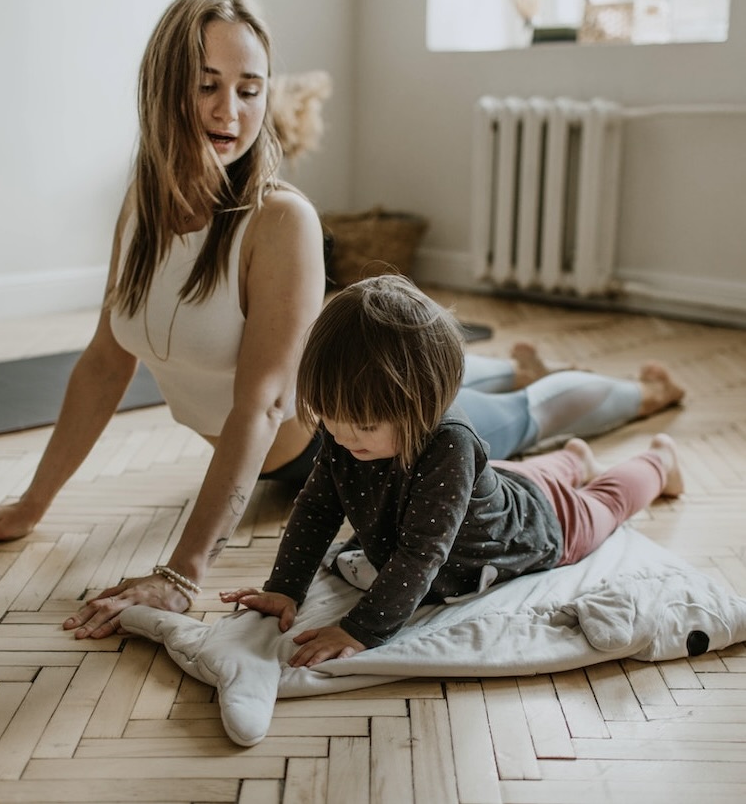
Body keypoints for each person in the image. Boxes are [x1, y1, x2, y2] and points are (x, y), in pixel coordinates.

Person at [0, 0, 683, 641]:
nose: (231, 110)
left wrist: (181, 572)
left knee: (519, 414)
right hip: (333, 425)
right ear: (161, 87)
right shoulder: (142, 209)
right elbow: (102, 363)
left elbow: (260, 404)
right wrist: (31, 503)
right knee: (494, 399)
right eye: (207, 84)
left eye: (250, 88)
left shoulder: (277, 219)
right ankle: (514, 382)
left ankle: (639, 398)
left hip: (364, 439)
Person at [220, 275, 684, 666]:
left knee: (605, 502)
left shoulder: (450, 444)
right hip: (497, 484)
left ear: (422, 405)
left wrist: (359, 629)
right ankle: (575, 458)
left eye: (362, 425)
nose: (341, 437)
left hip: (538, 524)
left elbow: (422, 554)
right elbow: (318, 507)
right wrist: (284, 587)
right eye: (330, 419)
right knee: (522, 477)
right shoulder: (348, 433)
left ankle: (660, 461)